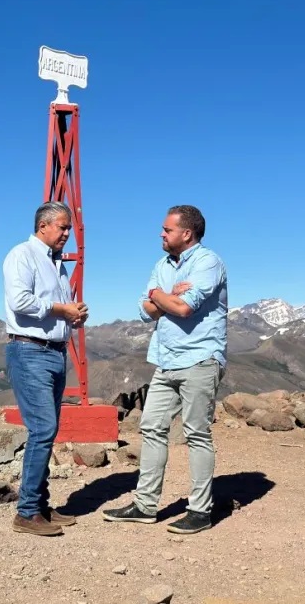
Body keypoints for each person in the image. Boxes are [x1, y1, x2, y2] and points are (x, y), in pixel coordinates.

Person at [103, 204, 228, 534]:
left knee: (196, 433)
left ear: (186, 234)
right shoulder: (163, 264)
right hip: (166, 360)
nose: (161, 233)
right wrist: (163, 296)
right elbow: (145, 311)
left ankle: (200, 510)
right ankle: (145, 505)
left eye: (167, 229)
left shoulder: (207, 262)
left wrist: (159, 294)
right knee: (151, 426)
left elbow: (184, 307)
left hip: (200, 358)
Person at [3, 201, 88, 536]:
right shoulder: (22, 255)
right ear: (44, 226)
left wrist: (74, 314)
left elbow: (56, 311)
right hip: (29, 351)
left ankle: (39, 506)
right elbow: (20, 301)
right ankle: (26, 512)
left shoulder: (56, 264)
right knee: (42, 429)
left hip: (54, 351)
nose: (67, 234)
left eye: (68, 228)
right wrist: (60, 309)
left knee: (47, 430)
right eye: (63, 227)